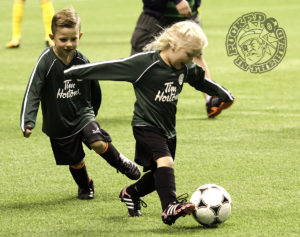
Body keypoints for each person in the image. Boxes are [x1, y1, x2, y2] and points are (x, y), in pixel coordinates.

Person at [64, 21, 234, 224]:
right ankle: (169, 207)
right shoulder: (145, 64)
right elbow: (110, 67)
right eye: (189, 54)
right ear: (172, 45)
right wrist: (71, 72)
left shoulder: (185, 67)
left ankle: (131, 193)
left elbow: (202, 81)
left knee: (159, 175)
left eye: (194, 56)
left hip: (168, 129)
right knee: (166, 162)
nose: (191, 60)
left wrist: (222, 93)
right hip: (145, 125)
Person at [20, 7, 141, 200]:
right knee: (75, 161)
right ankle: (86, 185)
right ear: (52, 37)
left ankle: (120, 162)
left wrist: (92, 113)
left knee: (98, 142)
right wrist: (28, 120)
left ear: (80, 36)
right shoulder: (46, 61)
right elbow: (33, 91)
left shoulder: (81, 59)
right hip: (58, 122)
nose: (69, 44)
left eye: (73, 39)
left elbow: (94, 88)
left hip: (83, 114)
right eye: (63, 39)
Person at [130, 0, 231, 118]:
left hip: (187, 13)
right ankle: (153, 105)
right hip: (157, 14)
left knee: (195, 53)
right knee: (140, 59)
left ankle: (211, 99)